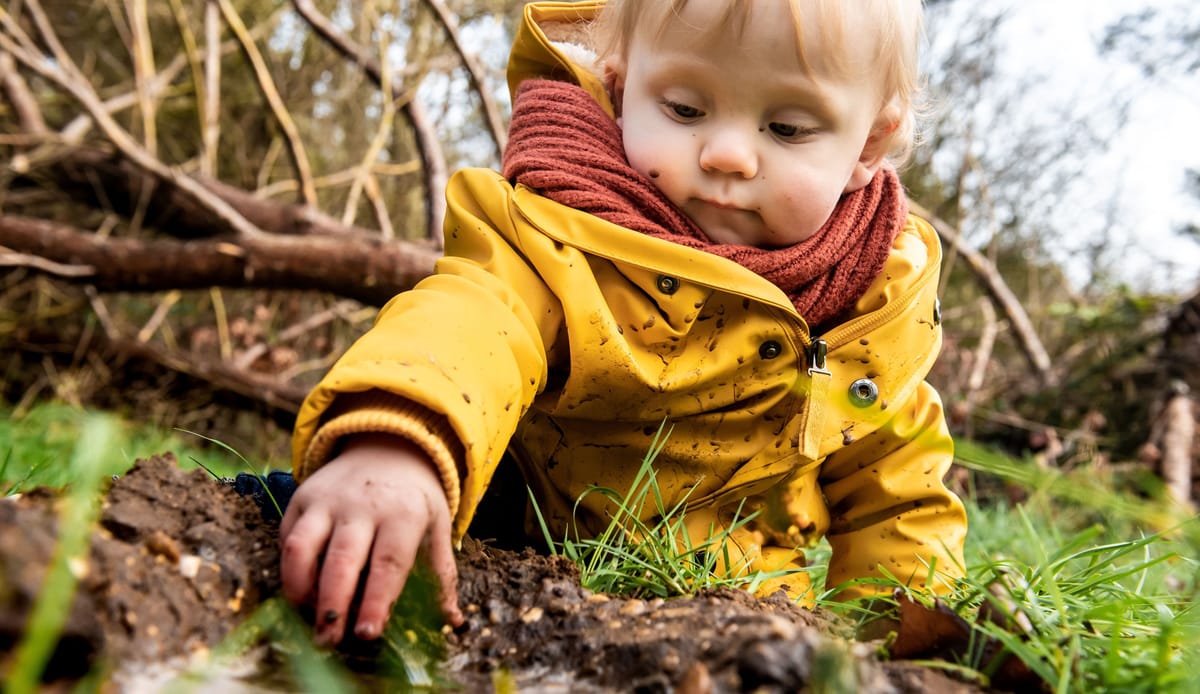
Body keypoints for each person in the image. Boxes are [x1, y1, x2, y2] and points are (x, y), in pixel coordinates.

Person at [280, 0, 969, 647]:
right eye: (685, 107)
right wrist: (400, 443)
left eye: (786, 127)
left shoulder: (864, 315)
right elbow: (481, 313)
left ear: (870, 144)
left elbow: (895, 493)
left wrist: (900, 641)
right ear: (619, 86)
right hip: (514, 554)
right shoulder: (562, 231)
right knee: (297, 526)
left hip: (746, 614)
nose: (726, 154)